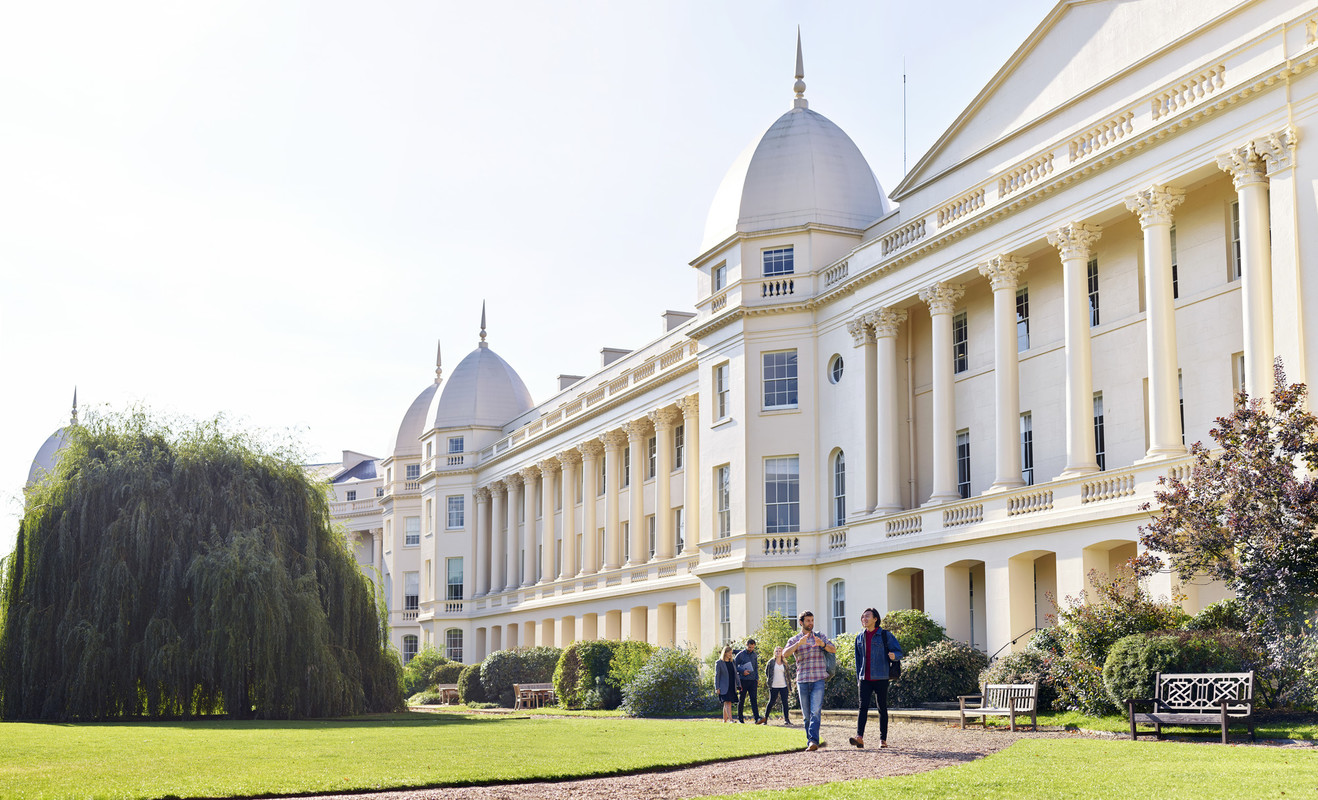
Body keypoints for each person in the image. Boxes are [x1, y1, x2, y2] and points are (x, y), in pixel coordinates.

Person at [849, 607, 904, 750]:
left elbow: (899, 652)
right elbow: (858, 661)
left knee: (882, 708)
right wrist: (858, 679)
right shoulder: (859, 637)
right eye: (862, 617)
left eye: (867, 616)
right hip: (864, 678)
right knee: (862, 708)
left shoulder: (885, 635)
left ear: (875, 619)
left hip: (881, 677)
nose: (864, 619)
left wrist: (894, 656)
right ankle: (859, 737)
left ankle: (883, 739)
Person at [783, 610, 836, 751]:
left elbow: (833, 649)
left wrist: (822, 645)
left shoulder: (820, 636)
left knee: (816, 711)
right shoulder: (795, 639)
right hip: (802, 680)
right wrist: (798, 645)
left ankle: (813, 741)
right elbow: (785, 654)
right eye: (808, 621)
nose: (811, 623)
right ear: (801, 622)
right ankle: (810, 740)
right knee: (806, 715)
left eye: (812, 620)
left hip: (818, 679)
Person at [734, 638, 763, 724]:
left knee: (754, 699)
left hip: (753, 680)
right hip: (743, 680)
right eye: (750, 647)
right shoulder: (740, 655)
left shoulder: (754, 655)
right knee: (741, 699)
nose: (751, 649)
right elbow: (734, 666)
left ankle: (757, 718)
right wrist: (742, 671)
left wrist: (757, 678)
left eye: (753, 647)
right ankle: (740, 719)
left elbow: (756, 667)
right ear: (746, 645)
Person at [764, 645, 792, 725]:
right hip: (774, 685)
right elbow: (767, 672)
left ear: (782, 652)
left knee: (785, 702)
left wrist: (789, 685)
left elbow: (787, 675)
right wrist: (769, 680)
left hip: (783, 685)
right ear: (774, 652)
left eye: (779, 651)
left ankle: (786, 719)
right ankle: (765, 719)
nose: (778, 652)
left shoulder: (785, 663)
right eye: (776, 651)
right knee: (771, 702)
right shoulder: (771, 662)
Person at [715, 646, 738, 723]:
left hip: (732, 685)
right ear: (725, 653)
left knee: (728, 702)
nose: (731, 654)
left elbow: (735, 674)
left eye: (731, 653)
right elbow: (717, 676)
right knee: (727, 702)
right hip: (723, 686)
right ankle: (731, 719)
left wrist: (739, 684)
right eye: (729, 653)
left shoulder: (732, 662)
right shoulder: (719, 663)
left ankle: (724, 720)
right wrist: (717, 687)